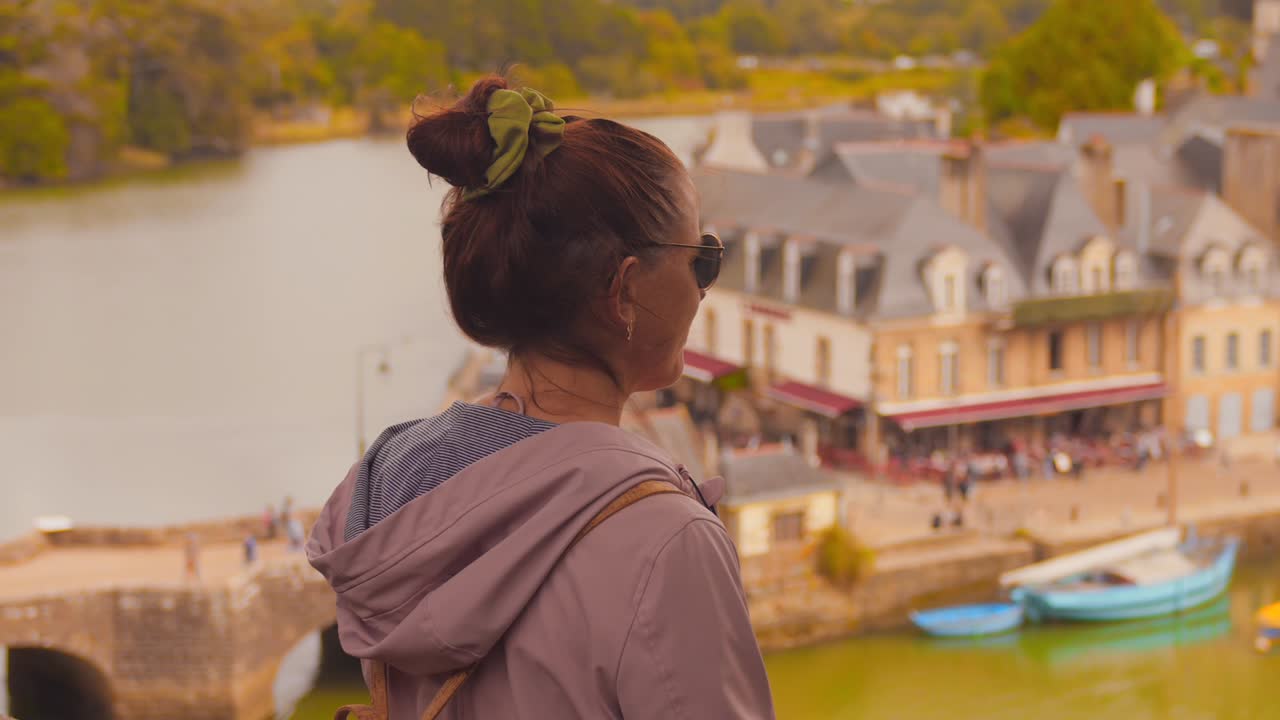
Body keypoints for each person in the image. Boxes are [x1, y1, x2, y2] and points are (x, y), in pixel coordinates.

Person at [306, 77, 773, 719]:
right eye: (702, 259)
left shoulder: (386, 489)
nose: (703, 290)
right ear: (626, 291)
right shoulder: (666, 538)